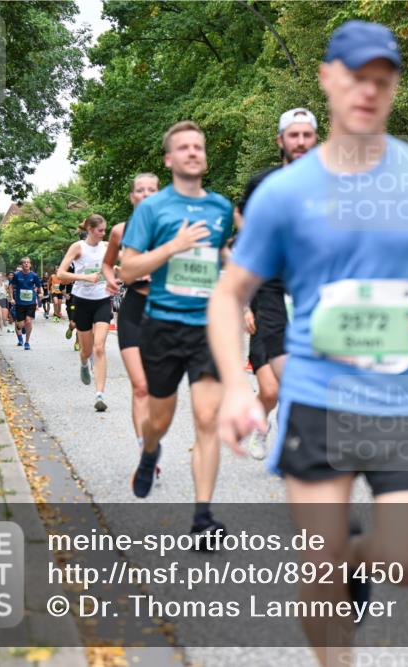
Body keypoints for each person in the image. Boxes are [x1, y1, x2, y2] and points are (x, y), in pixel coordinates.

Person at [208, 21, 408, 665]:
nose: (369, 90)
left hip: (399, 403)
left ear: (395, 87)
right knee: (319, 572)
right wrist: (237, 387)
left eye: (383, 79)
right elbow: (228, 294)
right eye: (356, 76)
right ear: (328, 78)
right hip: (317, 397)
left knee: (407, 563)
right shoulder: (284, 193)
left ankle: (356, 562)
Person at [121, 120, 234, 543]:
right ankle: (150, 451)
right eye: (184, 147)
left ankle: (203, 518)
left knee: (207, 418)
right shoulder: (152, 209)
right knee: (159, 420)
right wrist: (173, 247)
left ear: (205, 157)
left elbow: (220, 257)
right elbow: (127, 269)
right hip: (163, 325)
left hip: (208, 327)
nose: (192, 152)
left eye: (198, 147)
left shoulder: (221, 208)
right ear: (169, 159)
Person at [233, 107, 319, 458]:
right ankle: (273, 429)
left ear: (315, 139)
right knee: (273, 387)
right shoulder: (263, 182)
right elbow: (240, 215)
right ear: (280, 140)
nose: (300, 141)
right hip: (270, 288)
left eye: (307, 135)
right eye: (293, 135)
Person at [101, 172, 160, 445]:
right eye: (140, 190)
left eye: (151, 190)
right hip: (133, 309)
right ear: (132, 197)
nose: (145, 194)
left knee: (159, 388)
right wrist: (110, 278)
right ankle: (145, 451)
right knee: (141, 386)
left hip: (164, 310)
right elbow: (107, 263)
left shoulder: (173, 228)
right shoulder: (119, 231)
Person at [58, 215, 116, 412]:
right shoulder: (78, 247)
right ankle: (84, 364)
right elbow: (61, 274)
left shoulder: (107, 247)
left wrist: (115, 274)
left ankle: (99, 395)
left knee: (99, 347)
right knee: (86, 350)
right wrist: (84, 277)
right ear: (90, 230)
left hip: (102, 300)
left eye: (105, 230)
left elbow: (113, 266)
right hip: (82, 301)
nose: (103, 234)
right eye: (100, 230)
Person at [8, 257, 42, 350]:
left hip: (31, 303)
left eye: (28, 262)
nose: (26, 264)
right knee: (20, 324)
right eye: (24, 262)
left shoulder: (34, 275)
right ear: (22, 265)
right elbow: (10, 286)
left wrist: (41, 293)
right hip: (20, 303)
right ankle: (21, 328)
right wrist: (11, 298)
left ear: (30, 264)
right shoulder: (17, 275)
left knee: (28, 321)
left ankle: (27, 342)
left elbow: (39, 286)